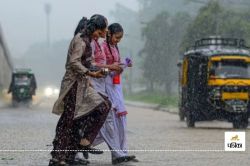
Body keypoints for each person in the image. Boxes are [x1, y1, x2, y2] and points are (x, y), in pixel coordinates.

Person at [49, 14, 111, 166]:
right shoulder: (80, 40)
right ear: (93, 28)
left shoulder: (88, 41)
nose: (100, 36)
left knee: (103, 106)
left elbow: (87, 63)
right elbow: (74, 63)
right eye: (100, 32)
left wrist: (100, 70)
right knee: (68, 120)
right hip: (72, 85)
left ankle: (83, 143)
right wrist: (90, 73)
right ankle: (57, 158)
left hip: (83, 85)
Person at [99, 23, 138, 165]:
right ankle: (117, 153)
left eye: (120, 38)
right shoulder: (101, 47)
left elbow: (115, 65)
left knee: (121, 120)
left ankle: (122, 152)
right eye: (117, 37)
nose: (118, 40)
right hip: (105, 85)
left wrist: (123, 64)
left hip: (116, 84)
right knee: (110, 121)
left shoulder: (115, 47)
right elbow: (98, 66)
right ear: (109, 34)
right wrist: (112, 67)